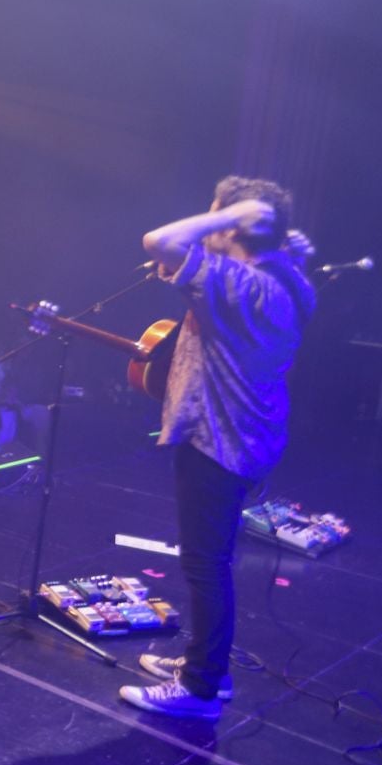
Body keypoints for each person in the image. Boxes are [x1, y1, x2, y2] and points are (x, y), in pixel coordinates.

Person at [118, 178, 314, 719]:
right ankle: (207, 668)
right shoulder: (282, 277)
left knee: (206, 565)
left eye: (214, 217)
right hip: (248, 434)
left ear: (237, 228)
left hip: (219, 439)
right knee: (210, 562)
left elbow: (158, 240)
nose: (204, 223)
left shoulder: (241, 285)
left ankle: (201, 691)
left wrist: (234, 214)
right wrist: (244, 225)